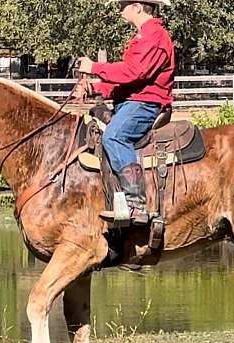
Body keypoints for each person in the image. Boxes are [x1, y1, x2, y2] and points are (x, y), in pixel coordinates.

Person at [77, 0, 175, 225]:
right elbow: (130, 82)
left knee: (114, 136)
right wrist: (95, 88)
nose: (120, 8)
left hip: (145, 104)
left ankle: (136, 205)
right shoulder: (144, 36)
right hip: (134, 101)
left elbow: (134, 73)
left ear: (138, 7)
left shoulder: (154, 36)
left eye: (123, 4)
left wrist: (94, 68)